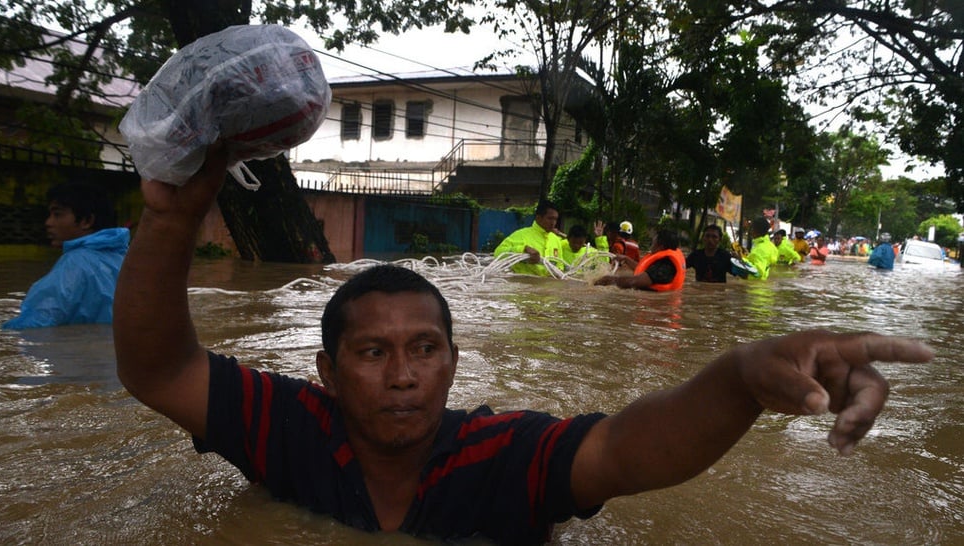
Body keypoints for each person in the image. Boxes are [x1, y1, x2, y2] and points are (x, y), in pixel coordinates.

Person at [113, 146, 934, 544]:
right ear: (326, 371)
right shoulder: (285, 425)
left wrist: (739, 379)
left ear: (454, 363)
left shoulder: (502, 454)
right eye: (372, 354)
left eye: (425, 349)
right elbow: (158, 368)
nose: (403, 376)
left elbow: (624, 449)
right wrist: (174, 215)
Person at [2, 182, 130, 329]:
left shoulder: (75, 263)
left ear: (86, 221)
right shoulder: (127, 257)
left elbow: (37, 323)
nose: (48, 222)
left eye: (57, 214)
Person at [594, 229, 685, 291]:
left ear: (660, 246)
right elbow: (644, 271)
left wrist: (610, 280)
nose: (651, 244)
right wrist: (626, 259)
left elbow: (635, 282)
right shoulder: (664, 262)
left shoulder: (664, 266)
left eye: (653, 241)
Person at [493, 200, 563, 276]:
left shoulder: (556, 240)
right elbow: (498, 253)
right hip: (524, 283)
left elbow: (560, 265)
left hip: (548, 285)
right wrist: (523, 249)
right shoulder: (521, 235)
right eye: (550, 218)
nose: (553, 223)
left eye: (555, 219)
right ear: (538, 218)